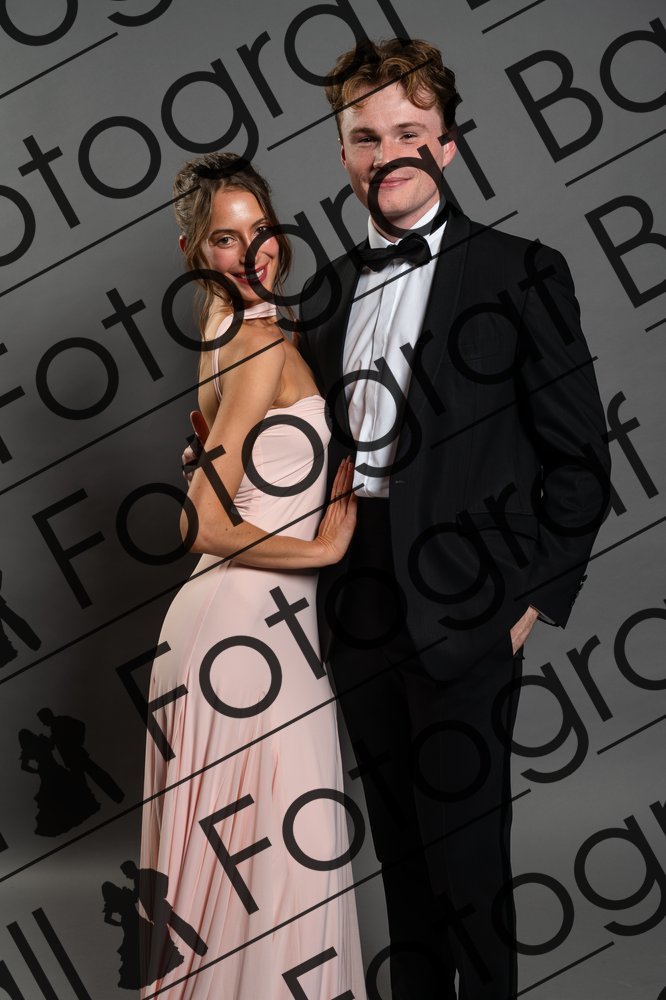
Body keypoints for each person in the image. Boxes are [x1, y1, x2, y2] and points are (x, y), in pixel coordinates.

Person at [296, 38, 612, 1000]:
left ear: (447, 145)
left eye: (408, 132)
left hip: (470, 601)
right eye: (365, 136)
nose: (386, 152)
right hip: (355, 589)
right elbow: (300, 448)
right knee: (401, 861)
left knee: (469, 865)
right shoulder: (325, 290)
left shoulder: (522, 271)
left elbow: (580, 461)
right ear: (343, 154)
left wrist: (531, 603)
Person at [140, 152, 364, 999]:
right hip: (246, 635)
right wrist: (321, 552)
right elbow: (199, 521)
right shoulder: (257, 341)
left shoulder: (232, 333)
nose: (251, 252)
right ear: (197, 252)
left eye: (260, 231)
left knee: (251, 881)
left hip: (250, 628)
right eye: (226, 239)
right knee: (279, 876)